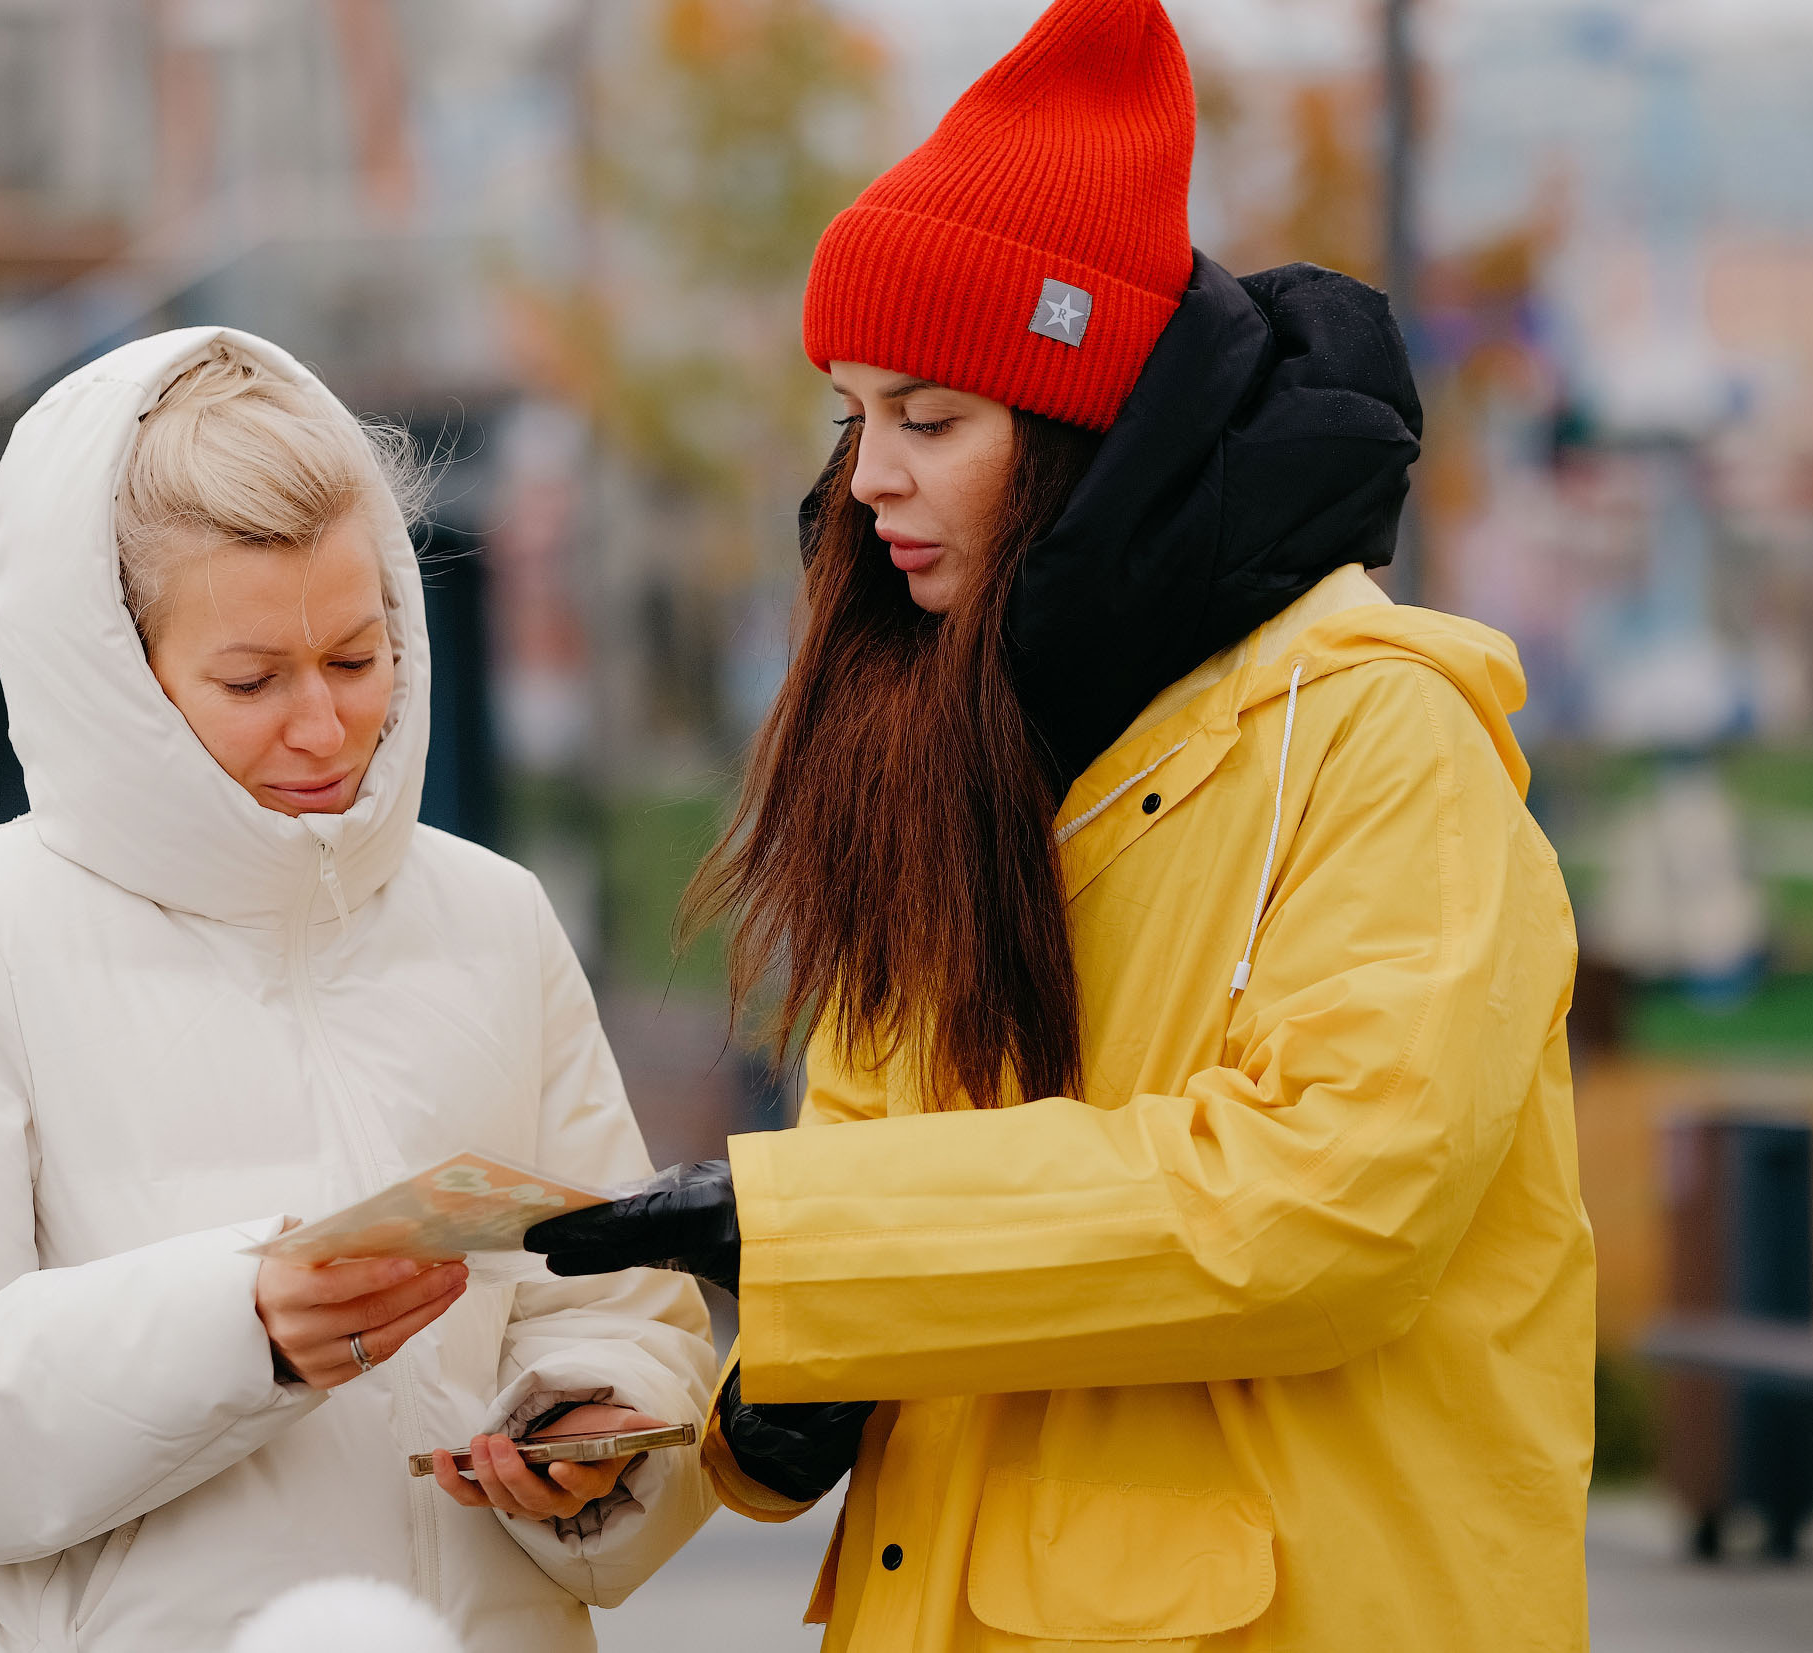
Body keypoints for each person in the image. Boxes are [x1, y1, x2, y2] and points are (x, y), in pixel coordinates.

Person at [526, 2, 1593, 1649]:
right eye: (851, 416)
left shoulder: (1378, 733)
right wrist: (757, 1404)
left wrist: (802, 1232)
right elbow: (879, 1188)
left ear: (1085, 426)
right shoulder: (939, 742)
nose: (865, 477)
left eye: (929, 419)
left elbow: (1325, 1205)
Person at [0, 329, 716, 1653]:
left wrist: (596, 1441)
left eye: (359, 656)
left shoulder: (493, 917)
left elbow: (619, 1305)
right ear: (113, 676)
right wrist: (240, 1325)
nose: (325, 725)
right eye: (252, 680)